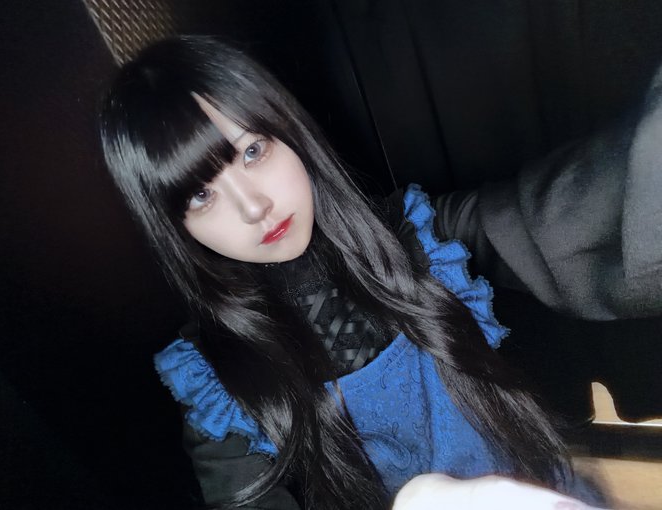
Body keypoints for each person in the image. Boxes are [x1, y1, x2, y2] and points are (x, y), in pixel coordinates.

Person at [99, 36, 619, 509]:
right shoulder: (217, 380)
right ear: (175, 227)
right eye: (201, 194)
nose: (253, 206)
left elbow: (576, 215)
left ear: (289, 132)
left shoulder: (424, 239)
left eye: (253, 151)